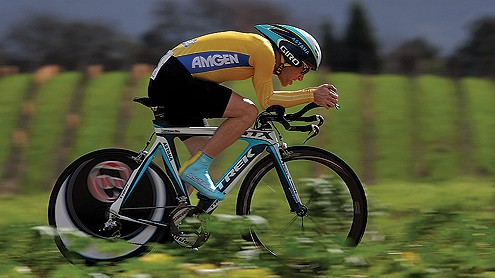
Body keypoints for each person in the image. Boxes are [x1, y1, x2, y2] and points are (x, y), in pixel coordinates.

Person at [148, 24, 339, 200]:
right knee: (247, 112)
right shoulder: (265, 51)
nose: (300, 77)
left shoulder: (262, 50)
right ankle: (196, 169)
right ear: (291, 56)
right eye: (304, 70)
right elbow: (267, 100)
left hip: (174, 78)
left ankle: (170, 215)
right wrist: (312, 94)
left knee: (203, 151)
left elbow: (269, 98)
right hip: (173, 79)